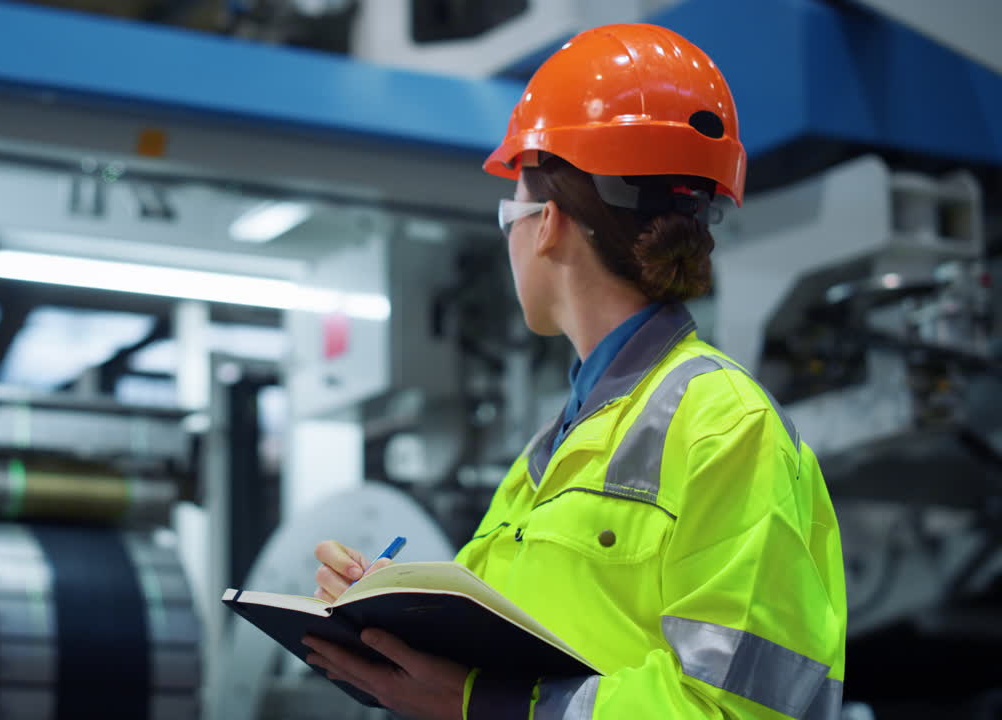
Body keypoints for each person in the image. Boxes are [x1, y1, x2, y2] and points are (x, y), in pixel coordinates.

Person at [302, 22, 847, 720]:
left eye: (511, 209)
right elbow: (521, 638)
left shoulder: (727, 428)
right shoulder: (547, 459)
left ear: (549, 223)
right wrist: (392, 603)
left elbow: (734, 710)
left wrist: (488, 705)